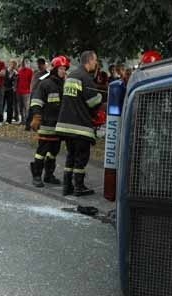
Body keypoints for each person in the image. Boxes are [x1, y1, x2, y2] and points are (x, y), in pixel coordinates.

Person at [55, 50, 103, 196]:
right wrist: (100, 96)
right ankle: (79, 187)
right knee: (82, 157)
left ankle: (67, 186)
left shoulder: (72, 76)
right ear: (89, 61)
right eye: (95, 60)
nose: (96, 63)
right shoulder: (86, 78)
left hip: (66, 125)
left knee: (71, 155)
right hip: (80, 126)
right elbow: (93, 102)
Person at [29, 55, 69, 187]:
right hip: (46, 125)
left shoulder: (64, 85)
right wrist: (36, 117)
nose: (64, 71)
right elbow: (36, 102)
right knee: (41, 152)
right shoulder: (45, 84)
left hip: (58, 126)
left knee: (54, 152)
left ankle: (49, 175)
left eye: (65, 69)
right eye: (62, 69)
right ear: (55, 69)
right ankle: (36, 176)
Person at [16, 57, 33, 125]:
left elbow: (31, 81)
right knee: (20, 107)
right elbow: (18, 81)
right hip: (19, 91)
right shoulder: (19, 71)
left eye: (25, 62)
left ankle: (27, 120)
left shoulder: (30, 71)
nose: (24, 64)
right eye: (23, 63)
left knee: (26, 107)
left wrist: (30, 90)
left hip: (26, 91)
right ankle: (22, 120)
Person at [3, 59, 18, 124]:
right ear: (10, 64)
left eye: (14, 65)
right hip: (3, 89)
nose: (13, 66)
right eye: (12, 64)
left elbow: (16, 82)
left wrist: (14, 87)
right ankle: (0, 119)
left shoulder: (16, 73)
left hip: (10, 90)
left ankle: (9, 120)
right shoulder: (5, 71)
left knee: (10, 105)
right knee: (2, 104)